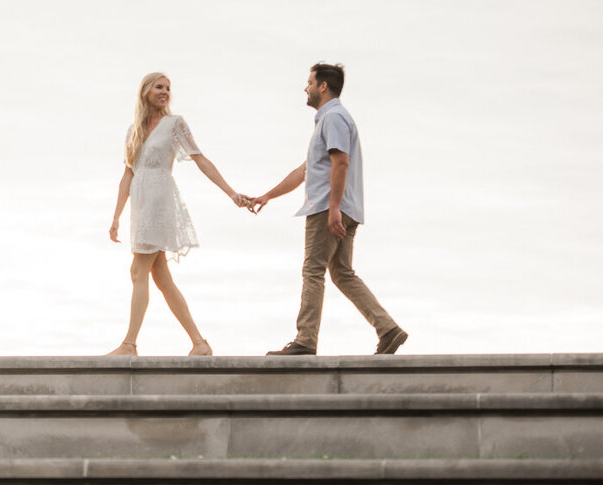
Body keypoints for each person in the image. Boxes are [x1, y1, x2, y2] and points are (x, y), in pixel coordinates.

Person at [249, 62, 407, 356]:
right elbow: (305, 170)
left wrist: (333, 208)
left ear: (323, 86)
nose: (305, 88)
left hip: (328, 208)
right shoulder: (329, 120)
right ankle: (388, 329)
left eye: (309, 82)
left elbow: (341, 162)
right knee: (342, 273)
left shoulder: (333, 117)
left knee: (313, 270)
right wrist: (267, 196)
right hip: (341, 207)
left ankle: (305, 340)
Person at [107, 72, 249, 356]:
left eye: (168, 88)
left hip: (160, 200)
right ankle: (199, 343)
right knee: (160, 277)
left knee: (138, 270)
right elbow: (127, 175)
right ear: (145, 90)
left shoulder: (175, 124)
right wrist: (116, 217)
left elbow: (200, 159)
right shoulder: (133, 130)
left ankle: (129, 344)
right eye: (159, 87)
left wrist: (231, 192)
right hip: (140, 203)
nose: (165, 92)